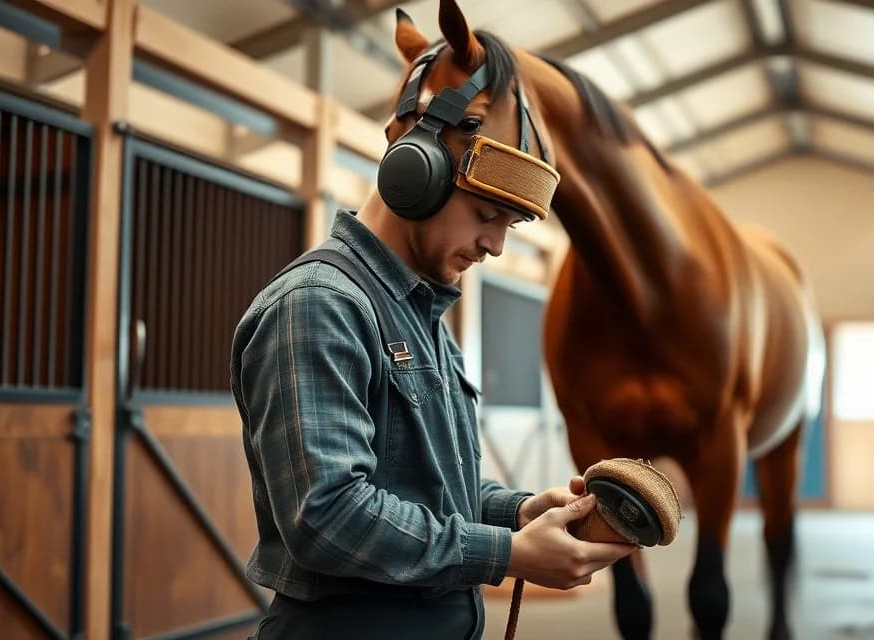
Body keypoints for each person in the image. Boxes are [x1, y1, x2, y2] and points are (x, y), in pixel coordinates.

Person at [230, 37, 637, 640]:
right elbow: (327, 516)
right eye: (485, 215)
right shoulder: (319, 305)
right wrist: (506, 555)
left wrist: (519, 513)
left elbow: (435, 488)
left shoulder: (423, 315)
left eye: (510, 224)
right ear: (415, 172)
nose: (496, 246)